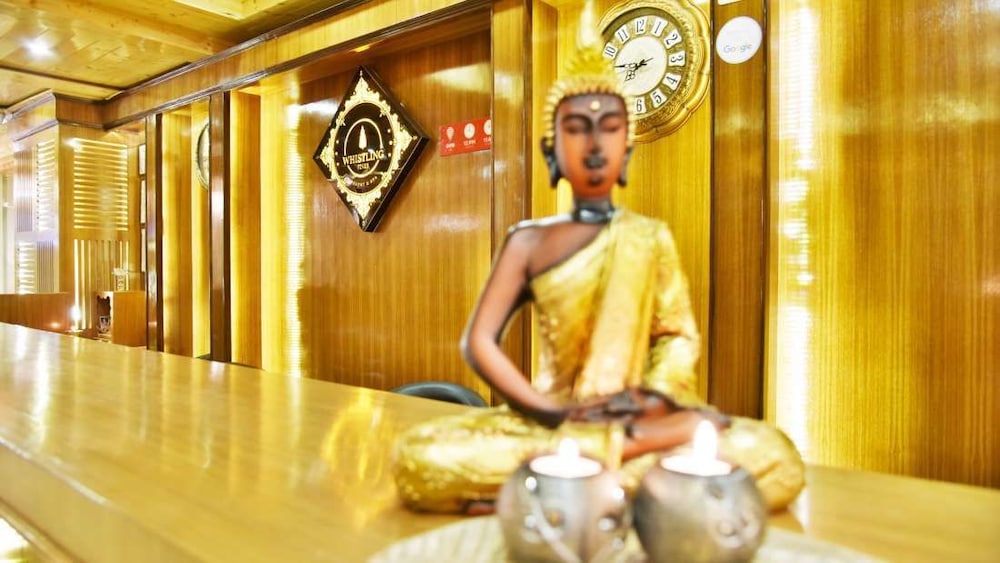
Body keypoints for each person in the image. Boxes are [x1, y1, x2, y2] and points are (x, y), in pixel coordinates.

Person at [393, 16, 804, 515]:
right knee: (420, 458)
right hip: (552, 422)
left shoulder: (649, 237)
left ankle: (556, 490)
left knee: (774, 454)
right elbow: (479, 342)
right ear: (551, 150)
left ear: (625, 147)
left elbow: (677, 337)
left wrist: (652, 400)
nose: (593, 146)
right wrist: (548, 411)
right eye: (576, 129)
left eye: (609, 129)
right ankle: (636, 489)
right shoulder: (527, 241)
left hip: (638, 419)